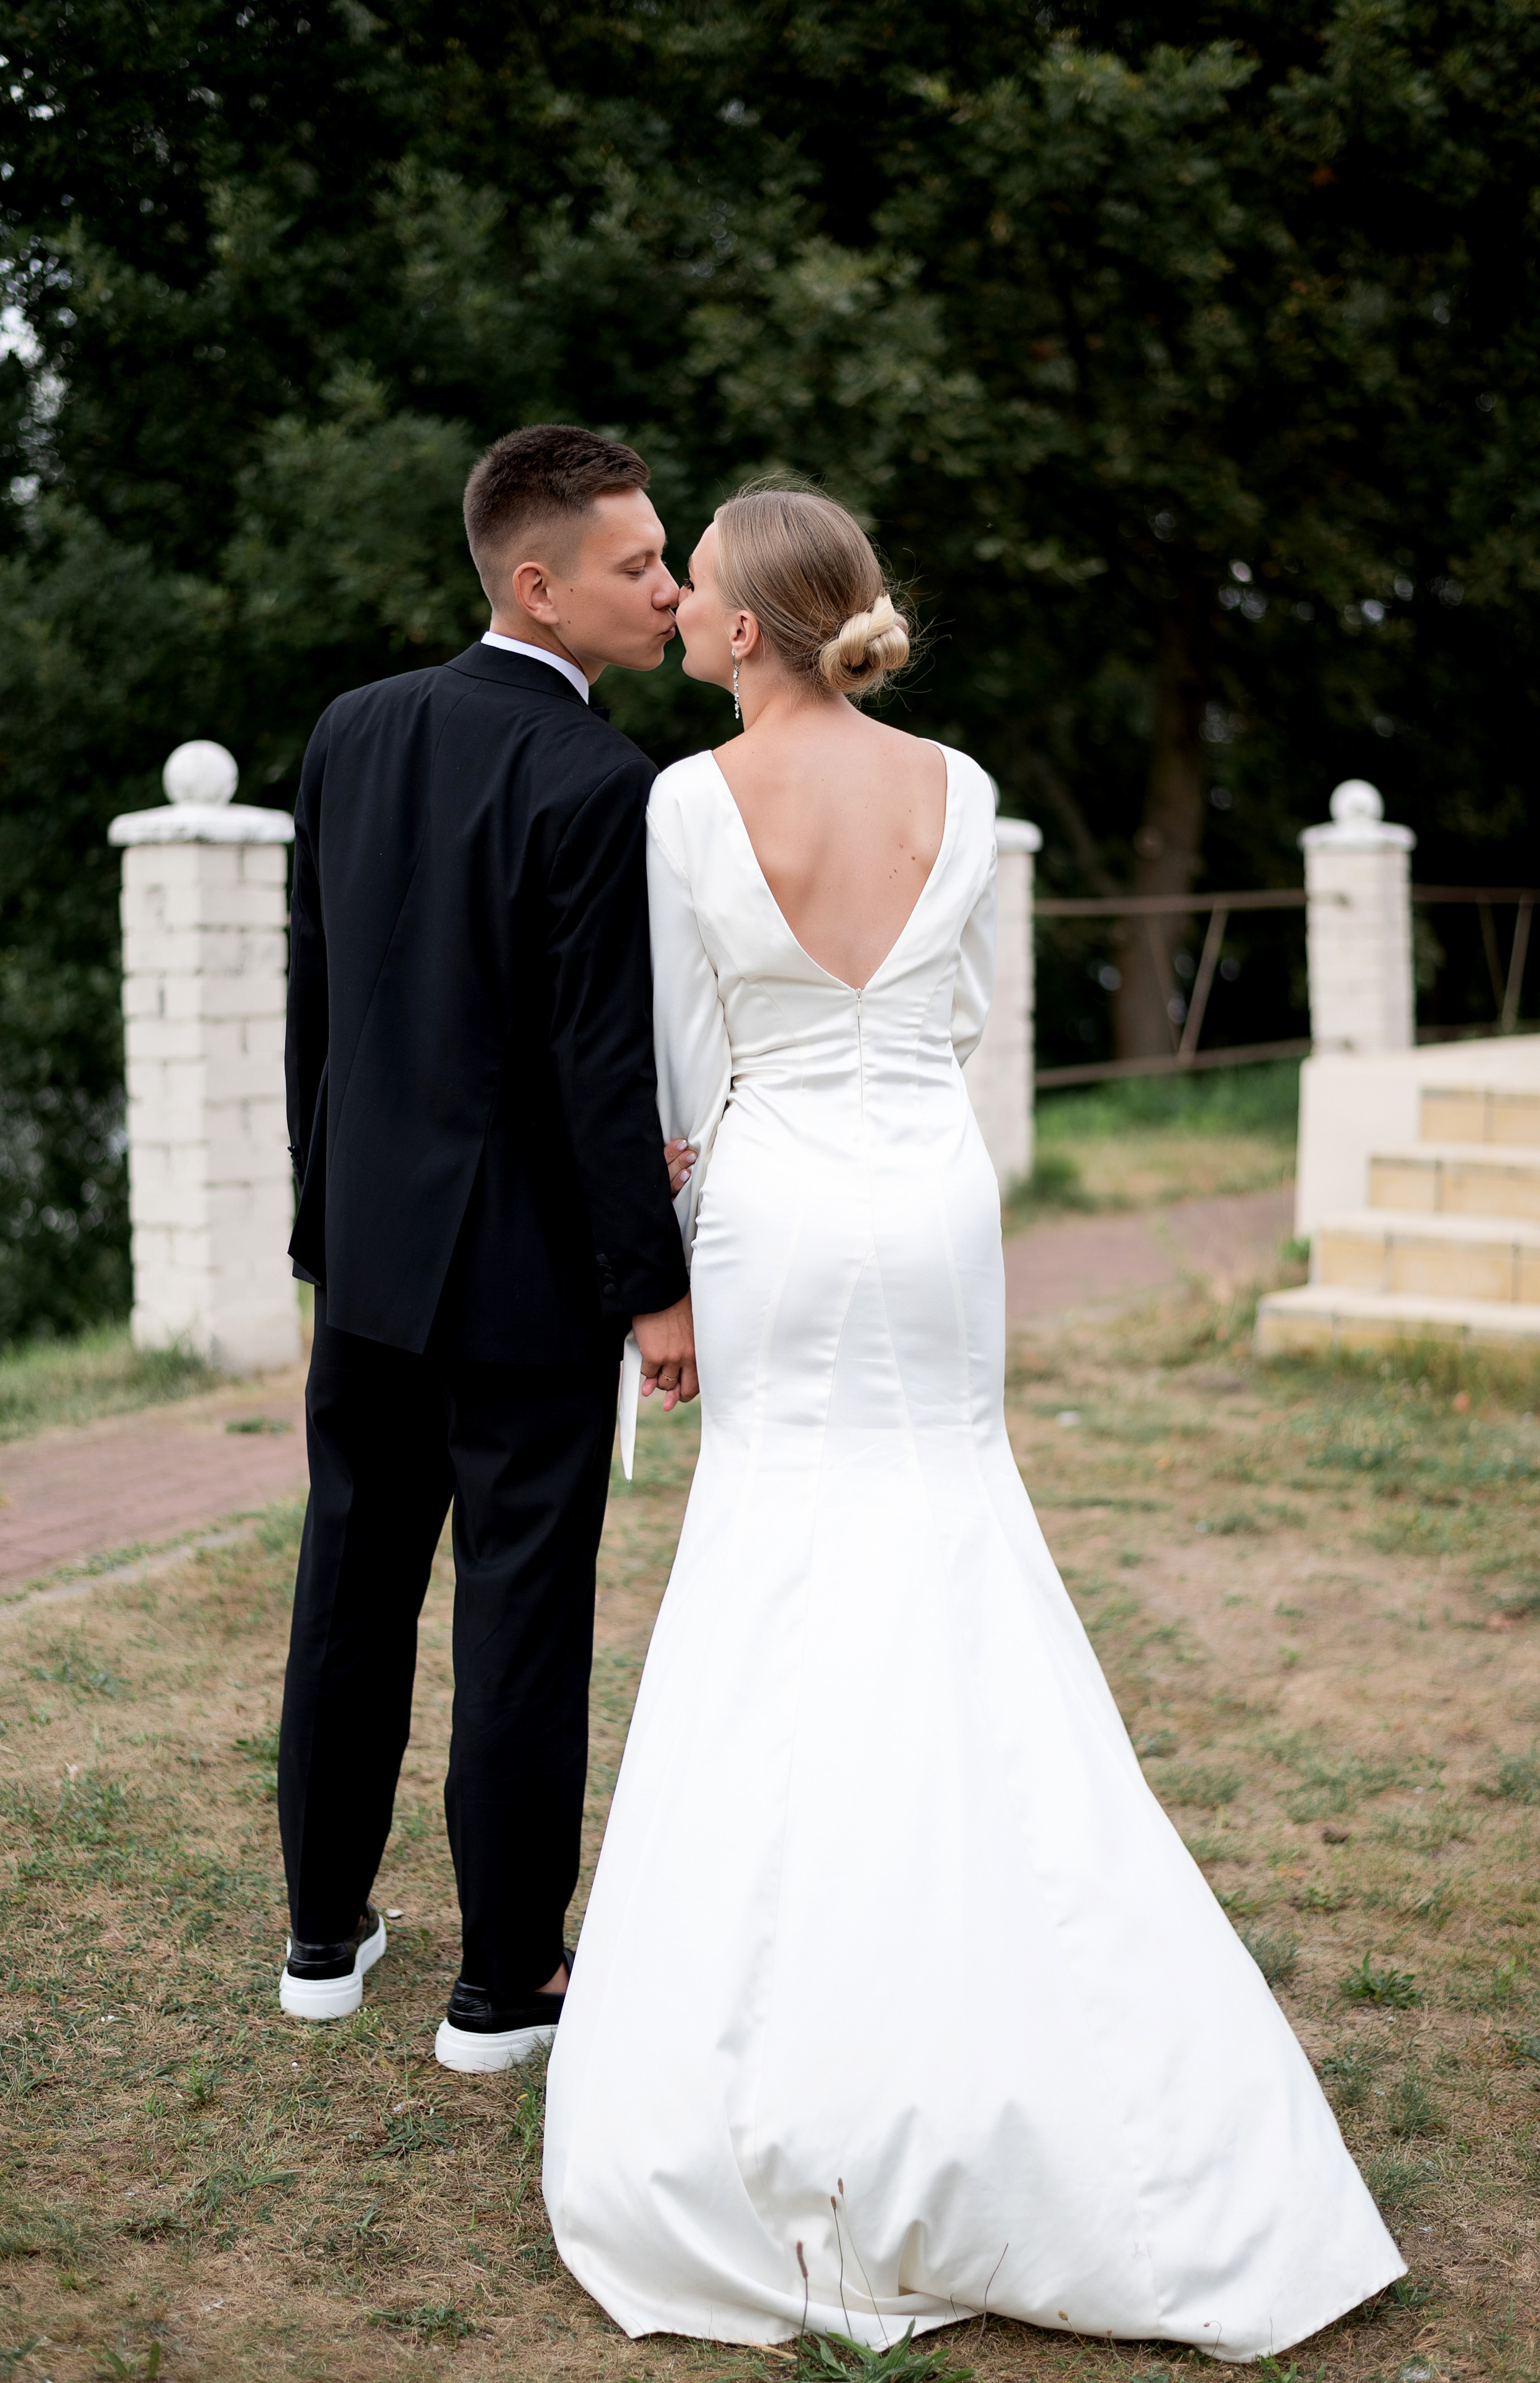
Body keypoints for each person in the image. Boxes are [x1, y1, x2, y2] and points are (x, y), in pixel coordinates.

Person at [541, 485, 1405, 2359]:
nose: (677, 605)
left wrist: (676, 1241)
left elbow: (687, 1054)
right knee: (951, 1541)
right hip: (933, 1201)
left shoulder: (689, 801)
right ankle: (1065, 2049)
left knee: (780, 1553)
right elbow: (963, 1018)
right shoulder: (963, 781)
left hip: (777, 1198)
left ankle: (797, 2061)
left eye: (699, 589)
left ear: (755, 631)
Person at [276, 424, 699, 2073]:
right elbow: (603, 1069)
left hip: (368, 1261)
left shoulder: (352, 729)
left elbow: (319, 1016)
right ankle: (507, 1982)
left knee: (350, 1584)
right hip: (523, 1280)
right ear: (539, 581)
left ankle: (324, 1939)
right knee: (522, 1615)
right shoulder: (607, 784)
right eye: (639, 564)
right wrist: (651, 1280)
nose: (669, 588)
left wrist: (326, 1220)